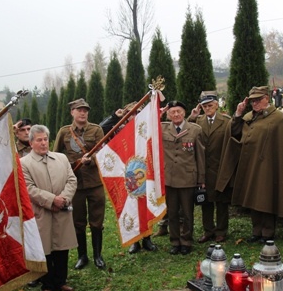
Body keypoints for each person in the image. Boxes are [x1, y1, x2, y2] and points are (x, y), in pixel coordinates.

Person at [216, 86, 283, 242]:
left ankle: (268, 232)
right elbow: (234, 131)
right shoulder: (249, 116)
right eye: (252, 101)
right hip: (250, 164)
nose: (254, 103)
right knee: (252, 198)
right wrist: (238, 113)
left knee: (266, 197)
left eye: (258, 100)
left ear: (266, 98)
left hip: (268, 165)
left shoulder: (278, 118)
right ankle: (256, 231)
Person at [21, 125, 77, 291]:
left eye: (45, 139)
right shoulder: (24, 163)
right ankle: (47, 284)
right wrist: (52, 200)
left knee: (62, 247)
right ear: (31, 143)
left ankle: (61, 281)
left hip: (62, 211)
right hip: (41, 212)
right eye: (39, 140)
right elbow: (29, 188)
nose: (43, 143)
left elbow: (71, 179)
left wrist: (64, 199)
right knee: (45, 250)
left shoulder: (61, 158)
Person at [53, 98, 106, 270]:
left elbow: (103, 153)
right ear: (72, 112)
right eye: (79, 110)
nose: (82, 112)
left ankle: (98, 255)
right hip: (74, 184)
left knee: (97, 220)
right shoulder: (64, 132)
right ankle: (82, 256)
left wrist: (91, 160)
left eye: (85, 110)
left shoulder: (96, 130)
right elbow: (56, 156)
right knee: (78, 221)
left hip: (94, 182)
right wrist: (69, 166)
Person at [99, 102, 157, 254]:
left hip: (144, 170)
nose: (133, 115)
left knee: (144, 204)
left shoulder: (144, 127)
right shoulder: (119, 128)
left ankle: (147, 238)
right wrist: (114, 117)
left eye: (137, 112)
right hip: (126, 174)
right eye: (130, 113)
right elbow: (101, 130)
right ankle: (134, 240)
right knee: (130, 206)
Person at [161, 101, 205, 255]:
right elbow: (147, 128)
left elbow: (200, 156)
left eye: (178, 111)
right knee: (172, 212)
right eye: (172, 112)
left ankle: (186, 241)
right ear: (168, 114)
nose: (176, 115)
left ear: (184, 113)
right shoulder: (162, 128)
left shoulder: (195, 130)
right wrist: (158, 112)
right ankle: (175, 241)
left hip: (187, 178)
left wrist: (201, 179)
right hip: (170, 178)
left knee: (187, 213)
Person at [188, 91, 231, 244]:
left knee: (221, 202)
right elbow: (186, 132)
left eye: (210, 105)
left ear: (217, 105)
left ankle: (221, 231)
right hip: (203, 169)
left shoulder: (226, 121)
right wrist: (192, 116)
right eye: (205, 106)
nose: (208, 108)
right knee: (205, 201)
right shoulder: (198, 121)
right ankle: (208, 230)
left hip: (220, 168)